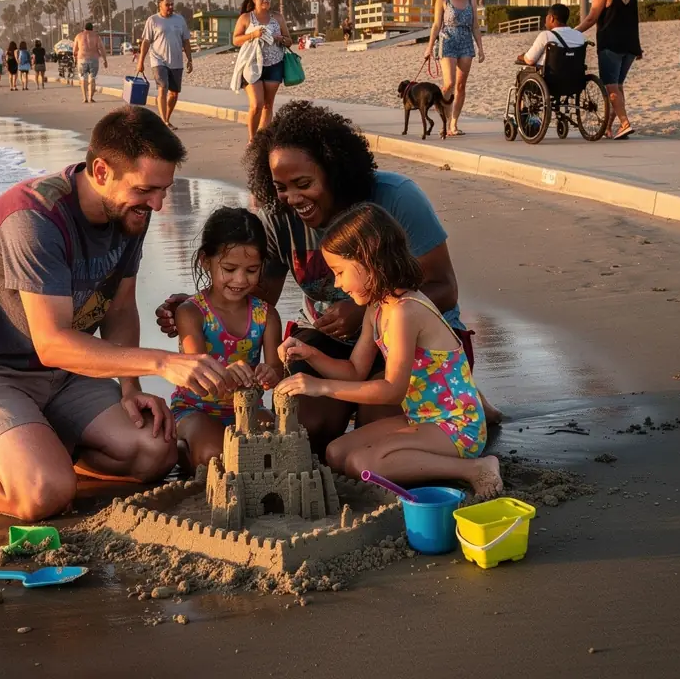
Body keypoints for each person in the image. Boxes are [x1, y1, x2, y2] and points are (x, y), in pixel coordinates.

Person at [0, 107, 237, 521]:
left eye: (164, 189)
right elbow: (52, 342)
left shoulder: (130, 213)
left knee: (156, 454)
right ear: (102, 171)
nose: (158, 204)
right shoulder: (34, 218)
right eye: (147, 190)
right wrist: (164, 362)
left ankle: (36, 444)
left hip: (64, 375)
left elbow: (121, 306)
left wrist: (131, 388)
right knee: (43, 496)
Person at [156, 100, 500, 458]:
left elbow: (444, 287)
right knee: (306, 431)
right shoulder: (279, 217)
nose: (292, 199)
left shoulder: (394, 199)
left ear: (334, 170)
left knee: (378, 428)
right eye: (281, 187)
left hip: (411, 342)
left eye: (303, 183)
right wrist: (201, 303)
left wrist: (361, 310)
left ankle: (468, 400)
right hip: (332, 344)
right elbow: (257, 298)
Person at [277, 203, 501, 497]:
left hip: (456, 425)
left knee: (362, 463)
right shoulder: (377, 306)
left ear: (369, 259)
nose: (337, 283)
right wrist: (310, 354)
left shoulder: (405, 311)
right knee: (335, 452)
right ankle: (422, 465)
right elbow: (355, 371)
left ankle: (475, 468)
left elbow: (393, 390)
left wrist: (320, 387)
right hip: (422, 416)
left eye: (340, 271)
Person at [171, 207, 283, 470]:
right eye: (229, 269)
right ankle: (180, 451)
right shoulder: (191, 313)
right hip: (195, 409)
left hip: (246, 410)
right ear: (205, 261)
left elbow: (277, 368)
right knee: (216, 456)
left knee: (282, 446)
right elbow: (197, 375)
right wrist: (226, 373)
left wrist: (269, 373)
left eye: (252, 270)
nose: (240, 280)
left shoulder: (266, 315)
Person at [577, 0, 642, 140]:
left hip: (611, 45)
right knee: (618, 87)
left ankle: (625, 124)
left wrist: (574, 32)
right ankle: (607, 128)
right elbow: (634, 20)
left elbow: (591, 18)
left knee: (611, 88)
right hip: (629, 46)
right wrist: (638, 46)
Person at [425, 0, 484, 137]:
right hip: (448, 40)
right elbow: (436, 25)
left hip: (466, 41)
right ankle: (444, 116)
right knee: (449, 84)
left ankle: (453, 124)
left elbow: (475, 25)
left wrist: (480, 48)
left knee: (461, 86)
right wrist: (429, 47)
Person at [231, 0, 292, 141]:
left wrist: (281, 39)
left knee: (267, 105)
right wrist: (253, 35)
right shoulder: (246, 18)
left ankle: (262, 140)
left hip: (274, 64)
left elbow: (290, 41)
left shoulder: (277, 17)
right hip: (252, 64)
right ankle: (252, 138)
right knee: (257, 104)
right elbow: (236, 40)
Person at [136, 0, 193, 129]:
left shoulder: (180, 20)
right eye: (167, 5)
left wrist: (190, 59)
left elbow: (186, 41)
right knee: (163, 87)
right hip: (158, 60)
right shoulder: (153, 20)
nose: (170, 7)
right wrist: (141, 61)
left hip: (176, 61)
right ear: (160, 6)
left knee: (174, 93)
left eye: (172, 4)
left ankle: (166, 118)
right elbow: (146, 42)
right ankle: (164, 122)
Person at [516, 3, 586, 67]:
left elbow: (530, 60)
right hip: (575, 76)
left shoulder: (546, 35)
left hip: (550, 75)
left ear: (551, 18)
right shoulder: (579, 35)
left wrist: (523, 56)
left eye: (547, 16)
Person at [73, 23, 108, 104]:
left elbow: (74, 50)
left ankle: (85, 98)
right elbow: (101, 48)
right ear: (92, 28)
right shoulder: (96, 36)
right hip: (94, 59)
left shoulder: (78, 36)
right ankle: (91, 98)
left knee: (83, 79)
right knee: (92, 78)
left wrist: (74, 59)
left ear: (84, 28)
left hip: (82, 59)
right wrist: (105, 60)